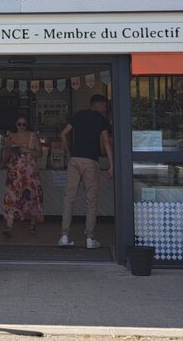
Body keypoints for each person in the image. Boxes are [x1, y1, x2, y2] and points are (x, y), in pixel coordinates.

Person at [58, 94, 113, 249]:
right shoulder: (101, 120)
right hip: (90, 161)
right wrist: (112, 164)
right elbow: (106, 142)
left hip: (74, 160)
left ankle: (64, 236)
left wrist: (68, 150)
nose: (105, 108)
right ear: (99, 105)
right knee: (91, 200)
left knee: (69, 198)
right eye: (104, 105)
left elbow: (63, 134)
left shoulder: (78, 115)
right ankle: (90, 238)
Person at [2, 114, 44, 237]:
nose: (21, 127)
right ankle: (9, 226)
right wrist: (2, 163)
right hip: (15, 171)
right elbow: (7, 152)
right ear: (15, 125)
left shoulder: (33, 136)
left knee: (31, 196)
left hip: (29, 171)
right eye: (19, 124)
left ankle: (33, 223)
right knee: (11, 197)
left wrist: (29, 151)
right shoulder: (10, 137)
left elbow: (40, 153)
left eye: (24, 124)